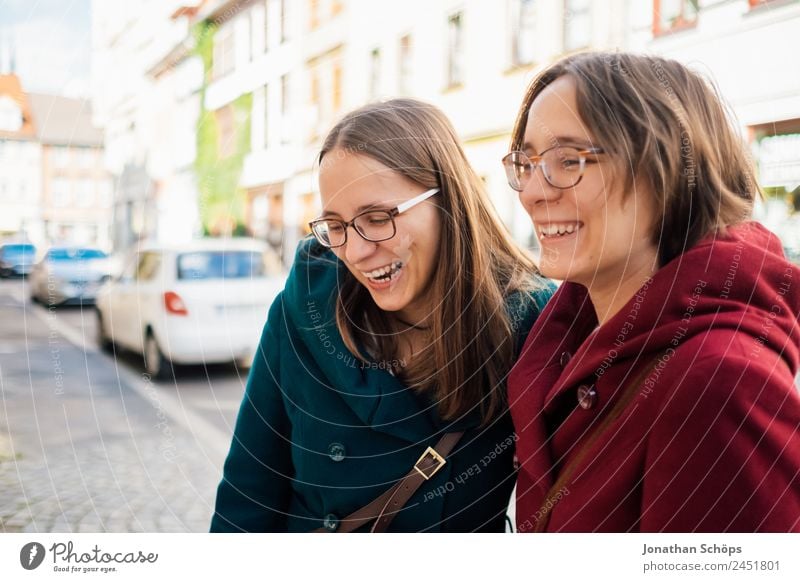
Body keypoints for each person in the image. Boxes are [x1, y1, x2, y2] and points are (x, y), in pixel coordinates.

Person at [210, 98, 554, 532]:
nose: (355, 251)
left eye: (377, 218)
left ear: (448, 201)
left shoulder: (528, 322)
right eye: (335, 226)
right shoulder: (303, 313)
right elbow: (248, 493)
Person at [504, 52, 800, 532]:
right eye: (527, 161)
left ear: (662, 170)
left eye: (568, 160)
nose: (532, 192)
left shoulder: (719, 381)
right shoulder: (557, 341)